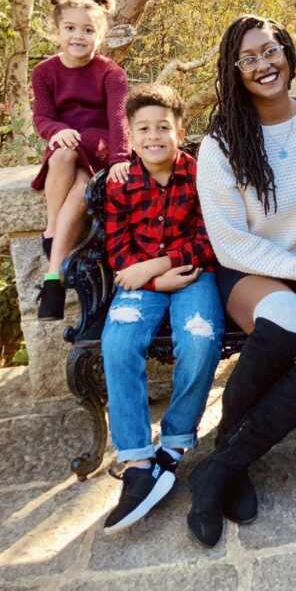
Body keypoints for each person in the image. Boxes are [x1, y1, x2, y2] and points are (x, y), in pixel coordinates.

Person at [191, 15, 296, 548]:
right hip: (249, 266)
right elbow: (230, 242)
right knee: (285, 321)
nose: (263, 65)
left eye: (270, 51)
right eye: (249, 59)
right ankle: (231, 462)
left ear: (288, 54)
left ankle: (223, 463)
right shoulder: (221, 143)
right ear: (235, 71)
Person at [101, 84, 224, 534]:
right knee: (118, 343)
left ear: (180, 131)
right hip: (141, 281)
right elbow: (117, 252)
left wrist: (164, 263)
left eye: (163, 128)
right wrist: (153, 279)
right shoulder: (122, 183)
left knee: (198, 339)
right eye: (143, 129)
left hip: (194, 274)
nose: (154, 137)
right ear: (130, 136)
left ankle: (173, 443)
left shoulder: (199, 174)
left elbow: (212, 239)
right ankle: (136, 460)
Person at [31, 0, 131, 321]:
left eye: (88, 30)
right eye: (70, 29)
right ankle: (52, 231)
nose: (79, 36)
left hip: (99, 146)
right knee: (63, 156)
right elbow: (42, 117)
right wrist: (58, 131)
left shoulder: (111, 73)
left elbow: (119, 120)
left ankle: (52, 270)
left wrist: (120, 159)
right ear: (57, 31)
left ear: (100, 35)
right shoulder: (43, 72)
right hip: (65, 149)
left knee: (82, 183)